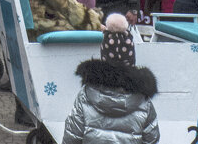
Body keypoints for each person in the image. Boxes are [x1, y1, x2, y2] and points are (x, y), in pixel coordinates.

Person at [62, 12, 160, 144]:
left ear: (104, 56)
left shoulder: (85, 95)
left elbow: (71, 137)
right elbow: (152, 139)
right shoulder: (143, 100)